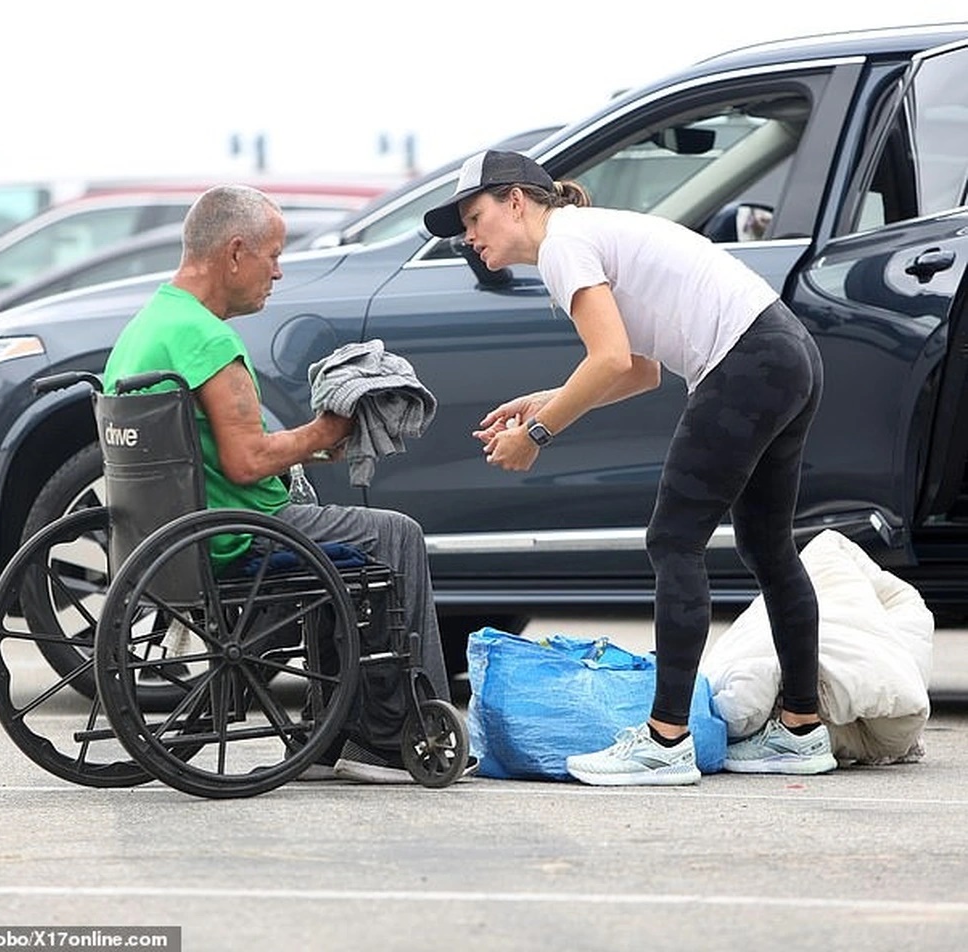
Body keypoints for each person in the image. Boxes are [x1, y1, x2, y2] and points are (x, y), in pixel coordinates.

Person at [423, 150, 837, 786]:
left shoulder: (564, 244)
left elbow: (611, 360)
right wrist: (548, 399)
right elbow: (638, 368)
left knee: (673, 540)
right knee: (768, 547)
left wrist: (537, 433)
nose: (469, 238)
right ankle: (802, 733)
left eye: (474, 218)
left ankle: (664, 740)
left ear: (516, 201)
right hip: (785, 353)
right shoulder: (583, 237)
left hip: (746, 362)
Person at [104, 184, 467, 784]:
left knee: (340, 534)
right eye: (272, 255)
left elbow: (217, 458)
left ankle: (335, 728)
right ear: (235, 252)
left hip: (170, 534)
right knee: (395, 536)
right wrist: (330, 426)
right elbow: (246, 462)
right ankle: (390, 738)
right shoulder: (206, 338)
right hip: (237, 536)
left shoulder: (151, 324)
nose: (277, 271)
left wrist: (309, 445)